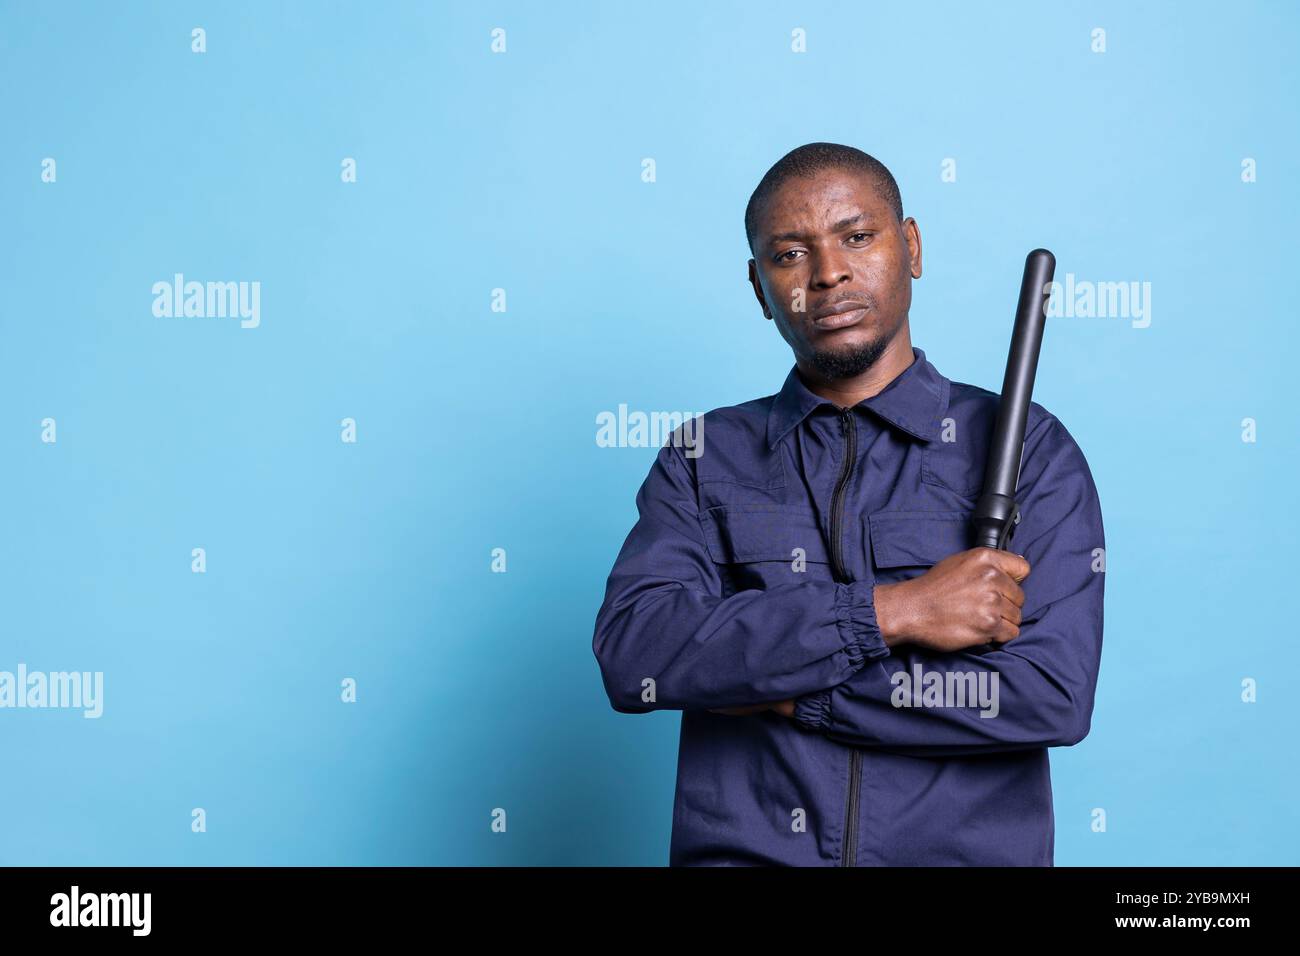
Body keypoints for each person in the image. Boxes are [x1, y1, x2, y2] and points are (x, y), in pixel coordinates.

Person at [591, 142, 1105, 866]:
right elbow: (638, 653)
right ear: (758, 286)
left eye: (857, 237)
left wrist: (793, 694)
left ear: (912, 246)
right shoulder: (705, 456)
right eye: (790, 254)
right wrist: (896, 612)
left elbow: (1047, 695)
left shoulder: (1030, 451)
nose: (828, 274)